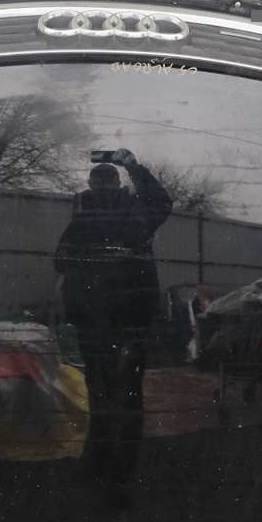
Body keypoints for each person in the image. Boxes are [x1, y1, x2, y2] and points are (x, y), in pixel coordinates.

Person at [54, 149, 172, 499]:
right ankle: (109, 466)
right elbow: (61, 259)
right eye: (100, 181)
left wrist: (133, 165)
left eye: (104, 181)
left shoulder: (118, 213)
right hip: (110, 318)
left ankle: (112, 468)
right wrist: (132, 166)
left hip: (115, 318)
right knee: (113, 391)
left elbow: (61, 260)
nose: (102, 188)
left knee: (114, 391)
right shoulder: (103, 216)